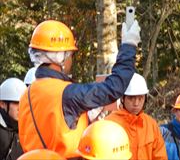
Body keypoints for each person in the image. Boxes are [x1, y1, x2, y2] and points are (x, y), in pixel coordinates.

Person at [18, 19, 141, 159]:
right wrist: (129, 46)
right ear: (61, 58)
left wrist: (83, 119)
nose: (71, 59)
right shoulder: (67, 93)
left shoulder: (26, 94)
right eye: (70, 55)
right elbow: (114, 87)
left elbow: (50, 128)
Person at [106, 73, 168, 160]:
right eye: (131, 98)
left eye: (140, 98)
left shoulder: (151, 125)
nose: (136, 103)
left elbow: (160, 157)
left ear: (145, 98)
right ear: (123, 98)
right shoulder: (109, 124)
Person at [0, 78, 27, 160]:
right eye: (16, 103)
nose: (20, 108)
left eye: (23, 103)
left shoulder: (27, 128)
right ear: (2, 104)